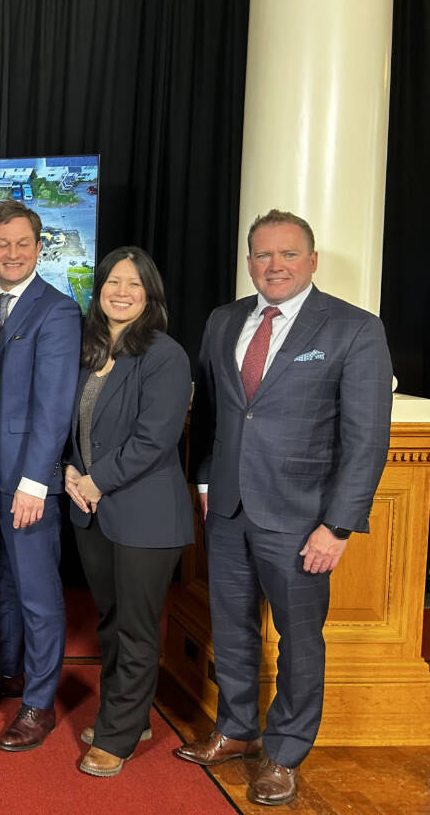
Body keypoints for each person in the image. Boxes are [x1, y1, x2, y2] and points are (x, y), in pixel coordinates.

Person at [175, 210, 393, 806]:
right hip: (226, 510)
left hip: (303, 520)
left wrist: (338, 525)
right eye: (262, 255)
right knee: (233, 628)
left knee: (300, 640)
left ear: (313, 260)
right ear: (249, 262)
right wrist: (202, 485)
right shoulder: (224, 321)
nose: (273, 266)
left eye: (287, 254)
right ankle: (238, 730)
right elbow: (215, 414)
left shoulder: (354, 328)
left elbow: (367, 437)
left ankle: (286, 751)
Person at [60, 247, 193, 777]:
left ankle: (117, 735)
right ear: (98, 291)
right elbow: (79, 429)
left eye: (134, 285)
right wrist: (70, 471)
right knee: (113, 622)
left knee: (136, 628)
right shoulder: (91, 351)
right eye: (113, 282)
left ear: (150, 295)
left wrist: (93, 480)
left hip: (145, 515)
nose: (121, 292)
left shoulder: (165, 354)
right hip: (91, 510)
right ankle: (130, 716)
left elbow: (154, 440)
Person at [0, 199, 80, 752]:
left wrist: (36, 480)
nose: (12, 253)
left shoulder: (57, 311)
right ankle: (4, 670)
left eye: (22, 243)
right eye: (1, 244)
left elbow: (55, 405)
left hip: (26, 479)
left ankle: (39, 702)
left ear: (39, 247)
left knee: (36, 592)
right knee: (2, 582)